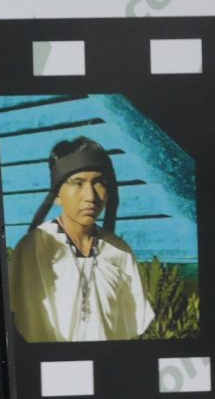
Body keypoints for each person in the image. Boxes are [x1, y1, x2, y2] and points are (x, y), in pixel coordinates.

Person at [10, 137, 155, 342]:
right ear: (57, 195)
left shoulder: (119, 251)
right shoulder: (35, 248)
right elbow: (20, 324)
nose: (91, 196)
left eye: (99, 183)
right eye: (78, 183)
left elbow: (128, 329)